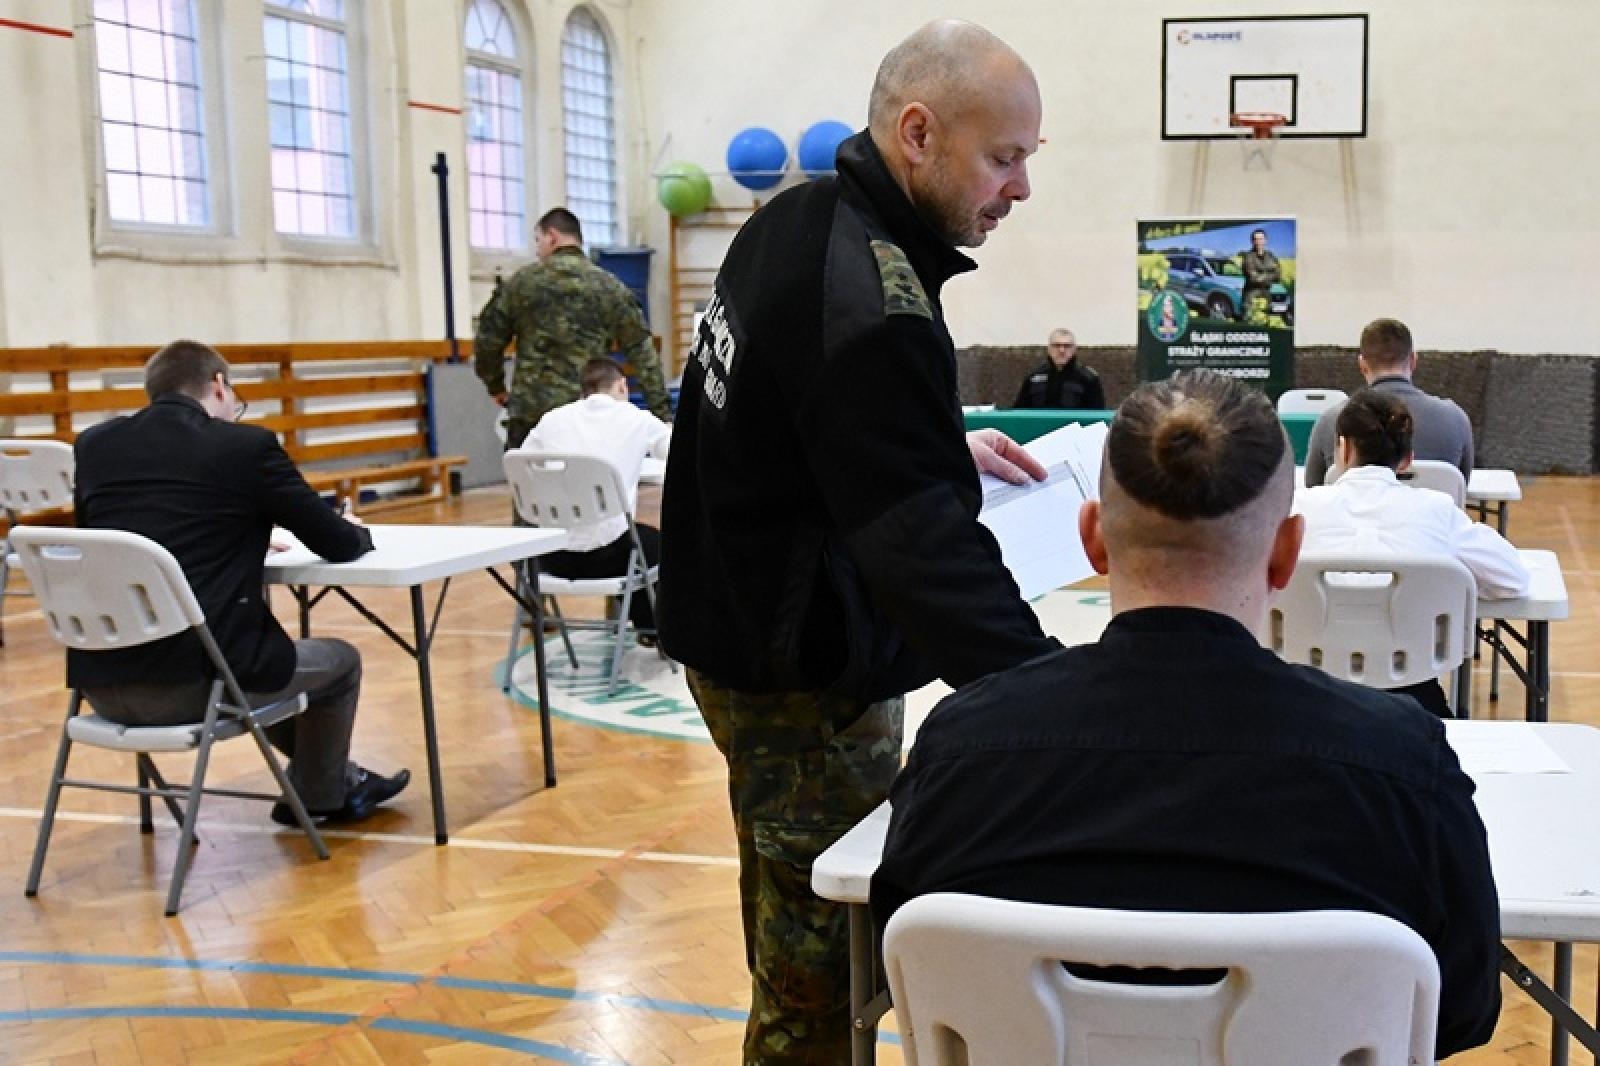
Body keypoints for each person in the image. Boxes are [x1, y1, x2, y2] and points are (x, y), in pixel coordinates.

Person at [870, 369, 1502, 1060]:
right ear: (1288, 551)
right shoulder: (1402, 765)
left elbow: (903, 963)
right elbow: (1459, 1011)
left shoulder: (961, 748)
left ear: (1093, 539)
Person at [657, 20, 1060, 1062]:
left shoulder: (796, 219)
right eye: (1003, 158)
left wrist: (927, 445)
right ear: (918, 134)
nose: (1019, 188)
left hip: (736, 634)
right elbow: (926, 556)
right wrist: (1056, 699)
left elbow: (787, 423)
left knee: (795, 938)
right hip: (801, 683)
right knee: (822, 987)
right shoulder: (872, 299)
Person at [70, 340, 410, 826]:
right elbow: (336, 542)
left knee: (267, 665)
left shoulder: (95, 446)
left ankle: (336, 777)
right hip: (196, 686)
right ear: (219, 386)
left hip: (100, 682)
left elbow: (115, 541)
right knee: (338, 663)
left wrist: (235, 533)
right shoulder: (245, 447)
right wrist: (354, 529)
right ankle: (323, 792)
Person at [1298, 388, 1529, 717]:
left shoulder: (1299, 510)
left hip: (1309, 703)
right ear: (1407, 459)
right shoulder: (1435, 510)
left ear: (1344, 449)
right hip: (1412, 704)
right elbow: (1512, 579)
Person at [473, 207, 672, 451]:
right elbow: (642, 352)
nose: (537, 249)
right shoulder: (609, 287)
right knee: (591, 475)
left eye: (538, 240)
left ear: (552, 237)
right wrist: (661, 413)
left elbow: (487, 341)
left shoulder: (520, 283)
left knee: (526, 475)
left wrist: (496, 386)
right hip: (588, 413)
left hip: (531, 413)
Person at [516, 357, 670, 632]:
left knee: (633, 541)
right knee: (655, 546)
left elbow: (521, 466)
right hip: (610, 560)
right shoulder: (636, 418)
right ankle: (649, 628)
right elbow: (676, 452)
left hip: (550, 558)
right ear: (622, 386)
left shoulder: (552, 420)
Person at [1304, 317, 1474, 487]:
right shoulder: (1456, 419)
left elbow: (1313, 487)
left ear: (1362, 365)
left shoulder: (1331, 421)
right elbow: (1461, 487)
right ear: (1413, 360)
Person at [1011, 328, 1105, 409]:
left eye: (1067, 346)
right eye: (1056, 345)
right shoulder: (1033, 377)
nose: (1061, 350)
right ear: (1049, 349)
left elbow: (1097, 415)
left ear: (1074, 349)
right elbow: (1019, 412)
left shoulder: (1088, 378)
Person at [1240, 226, 1280, 318]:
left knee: (1269, 321)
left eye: (1261, 239)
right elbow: (1253, 278)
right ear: (1252, 241)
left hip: (1268, 295)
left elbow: (1278, 275)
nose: (1258, 242)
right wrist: (1270, 273)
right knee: (1250, 321)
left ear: (1265, 240)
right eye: (1256, 239)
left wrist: (1262, 275)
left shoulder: (1271, 255)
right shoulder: (1248, 256)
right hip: (1251, 297)